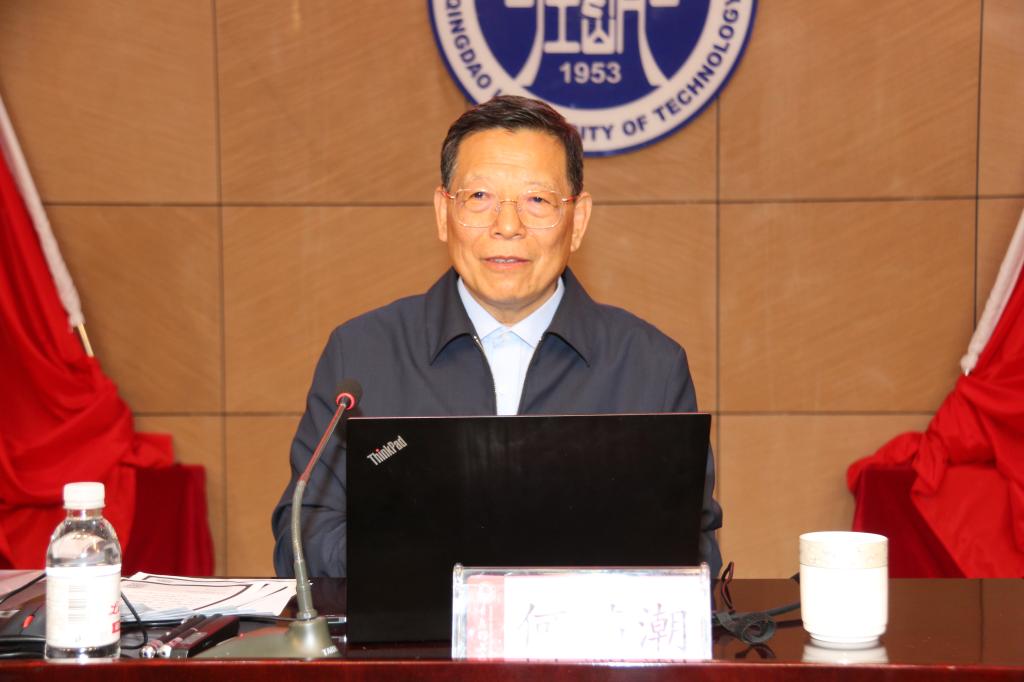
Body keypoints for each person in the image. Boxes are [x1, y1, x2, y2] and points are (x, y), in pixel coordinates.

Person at [272, 95, 722, 578]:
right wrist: (432, 559)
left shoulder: (649, 366)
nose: (507, 226)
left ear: (578, 221)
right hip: (412, 629)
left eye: (537, 200)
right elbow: (304, 537)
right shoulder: (363, 355)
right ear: (443, 213)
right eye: (480, 197)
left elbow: (693, 556)